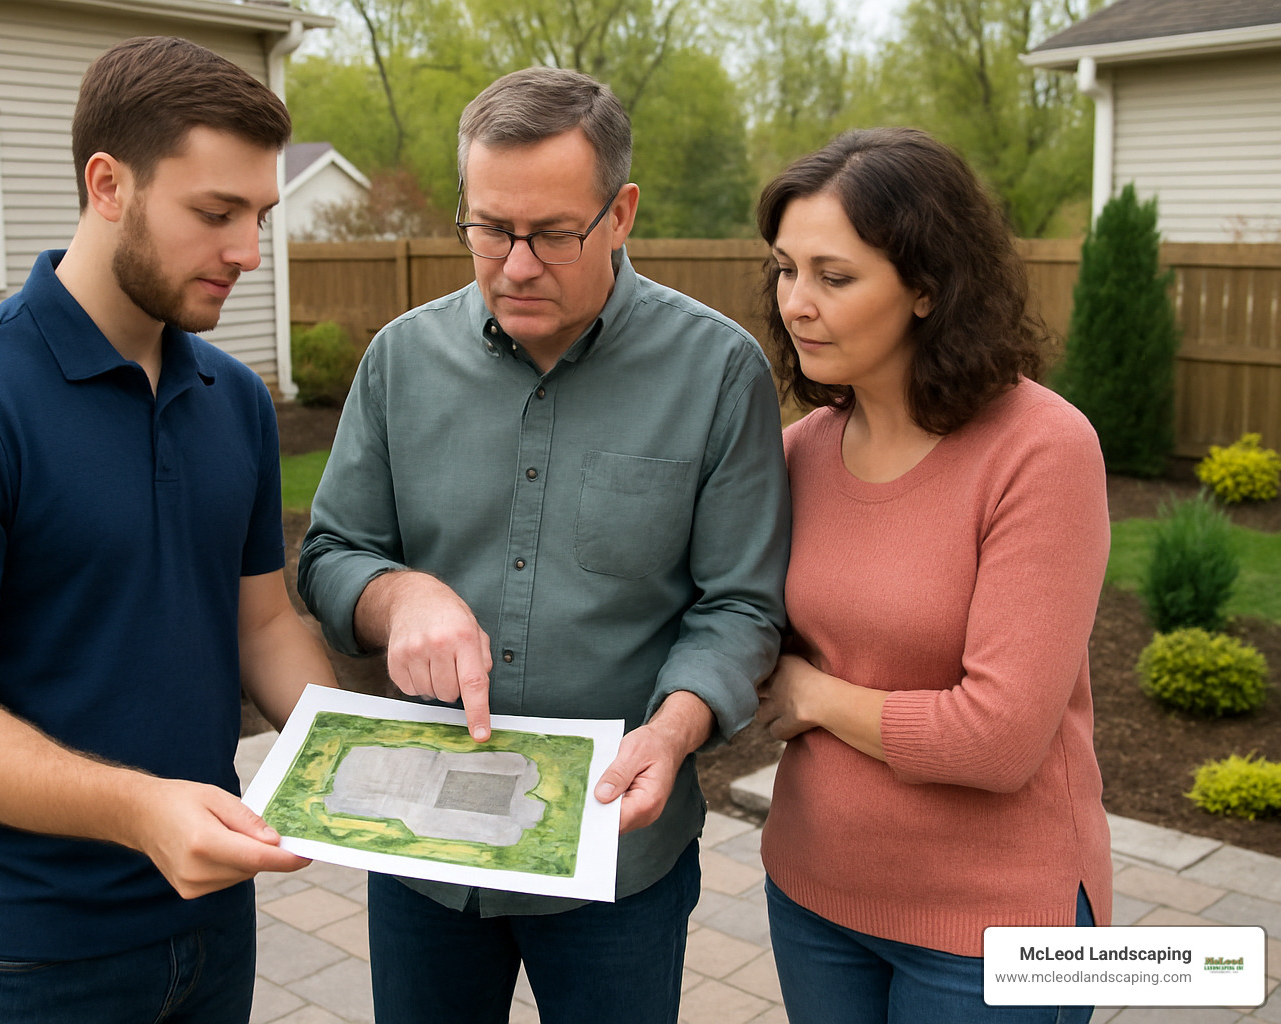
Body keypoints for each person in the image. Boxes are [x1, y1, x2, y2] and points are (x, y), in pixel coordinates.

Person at [0, 36, 337, 1024]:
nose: (248, 251)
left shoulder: (235, 399)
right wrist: (139, 809)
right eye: (216, 213)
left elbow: (263, 626)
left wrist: (367, 756)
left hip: (210, 924)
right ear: (107, 184)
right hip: (24, 948)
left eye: (259, 215)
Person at [298, 66, 790, 1024]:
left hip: (617, 857)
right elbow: (332, 553)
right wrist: (399, 597)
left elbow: (739, 604)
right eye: (489, 228)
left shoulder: (719, 372)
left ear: (622, 213)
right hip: (422, 855)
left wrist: (677, 727)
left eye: (553, 234)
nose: (516, 264)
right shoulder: (400, 359)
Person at [753, 126, 1112, 1023]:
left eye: (833, 277)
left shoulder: (1041, 450)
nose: (796, 303)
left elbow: (999, 738)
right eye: (785, 270)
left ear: (927, 287)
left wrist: (820, 697)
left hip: (997, 929)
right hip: (813, 895)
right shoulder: (797, 453)